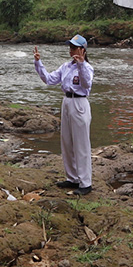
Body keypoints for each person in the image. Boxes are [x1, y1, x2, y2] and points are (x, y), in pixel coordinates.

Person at [34, 35, 94, 195]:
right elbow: (49, 80)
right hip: (67, 102)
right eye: (70, 47)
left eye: (75, 47)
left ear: (82, 50)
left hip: (79, 103)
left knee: (81, 144)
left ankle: (85, 183)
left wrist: (81, 64)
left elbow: (87, 84)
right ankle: (73, 178)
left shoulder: (87, 67)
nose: (71, 50)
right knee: (67, 141)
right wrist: (38, 63)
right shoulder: (66, 66)